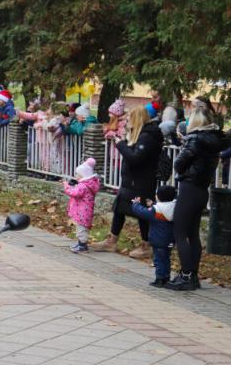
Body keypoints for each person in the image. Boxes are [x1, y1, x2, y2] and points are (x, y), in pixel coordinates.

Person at [90, 106, 163, 258]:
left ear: (137, 119)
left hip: (142, 182)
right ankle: (112, 240)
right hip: (131, 181)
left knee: (142, 212)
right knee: (119, 209)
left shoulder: (148, 136)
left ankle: (146, 245)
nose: (127, 121)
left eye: (130, 118)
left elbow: (136, 158)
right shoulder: (139, 134)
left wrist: (120, 144)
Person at [166, 103, 225, 291]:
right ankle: (192, 275)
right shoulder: (214, 139)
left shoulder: (195, 139)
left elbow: (179, 163)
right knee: (192, 233)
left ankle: (187, 275)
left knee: (180, 232)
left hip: (189, 187)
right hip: (201, 188)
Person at [132, 186, 176, 287]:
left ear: (158, 197)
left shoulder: (155, 210)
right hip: (170, 239)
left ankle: (160, 279)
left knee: (159, 260)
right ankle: (166, 277)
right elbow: (163, 209)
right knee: (166, 258)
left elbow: (141, 212)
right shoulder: (174, 207)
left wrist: (135, 204)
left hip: (158, 240)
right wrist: (153, 205)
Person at [63, 157, 100, 253]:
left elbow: (74, 193)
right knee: (81, 227)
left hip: (82, 212)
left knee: (81, 229)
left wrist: (67, 186)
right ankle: (80, 243)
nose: (76, 176)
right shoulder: (87, 185)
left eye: (77, 174)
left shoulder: (83, 186)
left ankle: (83, 246)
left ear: (84, 175)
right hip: (84, 211)